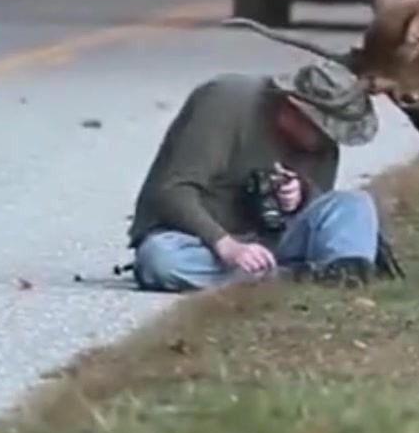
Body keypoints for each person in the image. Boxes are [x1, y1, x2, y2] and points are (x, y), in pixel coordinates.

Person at [126, 60, 384, 293]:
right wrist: (226, 245)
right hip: (202, 242)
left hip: (270, 245)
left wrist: (301, 195)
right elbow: (172, 190)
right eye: (322, 130)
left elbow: (320, 208)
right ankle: (297, 277)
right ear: (294, 109)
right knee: (160, 259)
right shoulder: (225, 102)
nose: (328, 142)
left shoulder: (322, 146)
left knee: (355, 204)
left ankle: (344, 274)